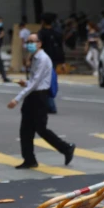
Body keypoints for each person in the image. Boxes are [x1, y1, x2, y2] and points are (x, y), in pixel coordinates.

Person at [7, 34, 75, 169]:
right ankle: (29, 159)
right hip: (32, 96)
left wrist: (17, 99)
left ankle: (66, 148)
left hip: (39, 97)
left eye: (32, 41)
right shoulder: (35, 58)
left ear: (40, 43)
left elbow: (36, 83)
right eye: (28, 42)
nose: (29, 44)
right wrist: (25, 83)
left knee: (41, 129)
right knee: (25, 129)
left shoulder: (43, 59)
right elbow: (34, 81)